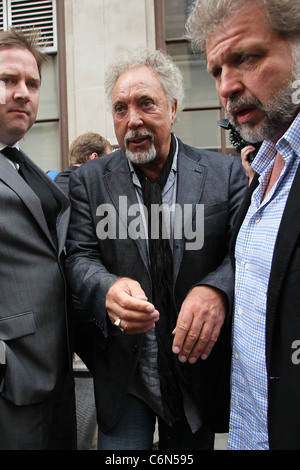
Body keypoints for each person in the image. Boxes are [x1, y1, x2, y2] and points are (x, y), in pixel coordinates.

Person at [65, 48, 247, 450]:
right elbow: (79, 257)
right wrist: (108, 288)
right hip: (126, 376)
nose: (132, 120)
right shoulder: (89, 182)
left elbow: (245, 254)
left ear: (174, 108)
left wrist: (217, 289)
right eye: (120, 108)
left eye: (146, 103)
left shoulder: (224, 173)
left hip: (194, 374)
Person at [187, 0, 300, 450]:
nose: (227, 86)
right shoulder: (264, 168)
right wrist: (217, 288)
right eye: (216, 71)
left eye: (247, 58)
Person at [0, 28, 76, 449]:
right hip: (12, 385)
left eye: (32, 83)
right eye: (9, 80)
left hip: (56, 375)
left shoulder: (19, 161)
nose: (23, 93)